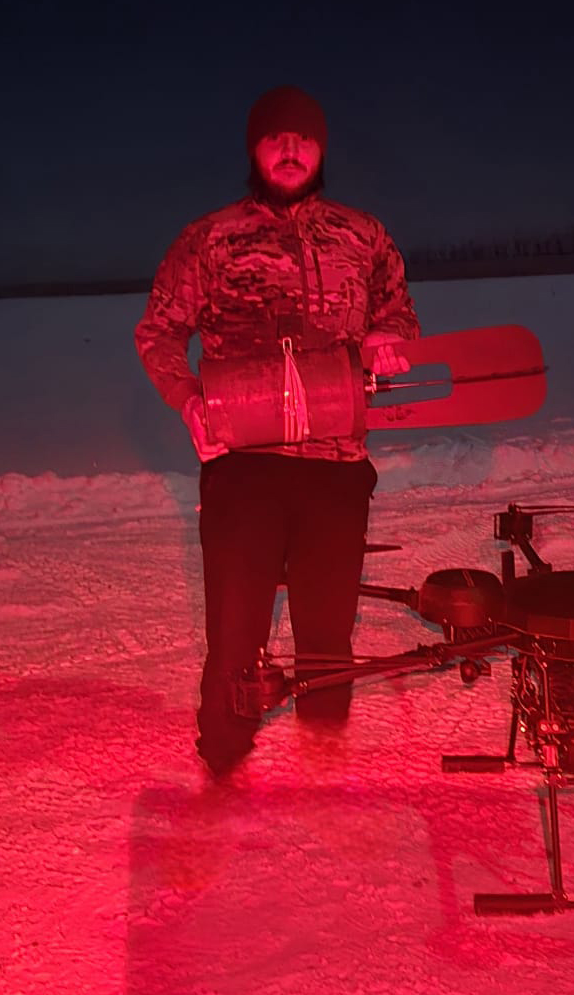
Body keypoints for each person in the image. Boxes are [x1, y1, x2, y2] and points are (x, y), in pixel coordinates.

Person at [134, 84, 421, 780]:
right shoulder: (210, 239)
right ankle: (224, 758)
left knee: (328, 627)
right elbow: (158, 333)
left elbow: (398, 317)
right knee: (237, 623)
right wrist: (190, 401)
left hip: (337, 462)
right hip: (243, 462)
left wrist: (388, 344)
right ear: (254, 149)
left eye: (302, 138)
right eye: (275, 138)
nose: (289, 149)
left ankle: (323, 756)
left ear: (320, 149)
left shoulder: (365, 237)